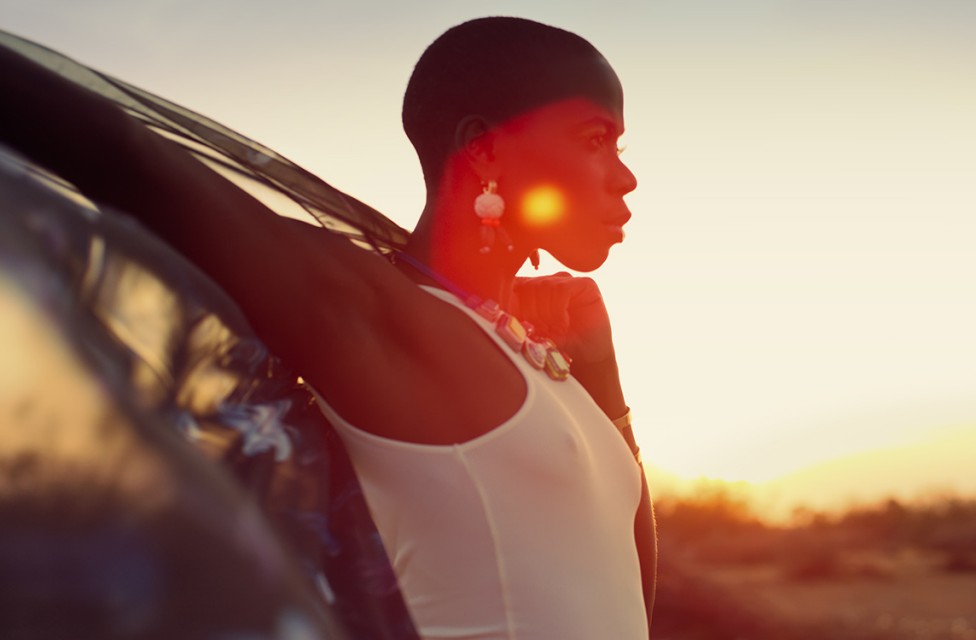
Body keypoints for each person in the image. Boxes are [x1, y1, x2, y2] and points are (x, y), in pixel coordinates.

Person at [0, 16, 655, 640]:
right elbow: (134, 161)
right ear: (483, 146)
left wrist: (601, 365)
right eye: (595, 140)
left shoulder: (535, 356)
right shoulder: (387, 319)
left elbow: (631, 590)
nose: (625, 177)